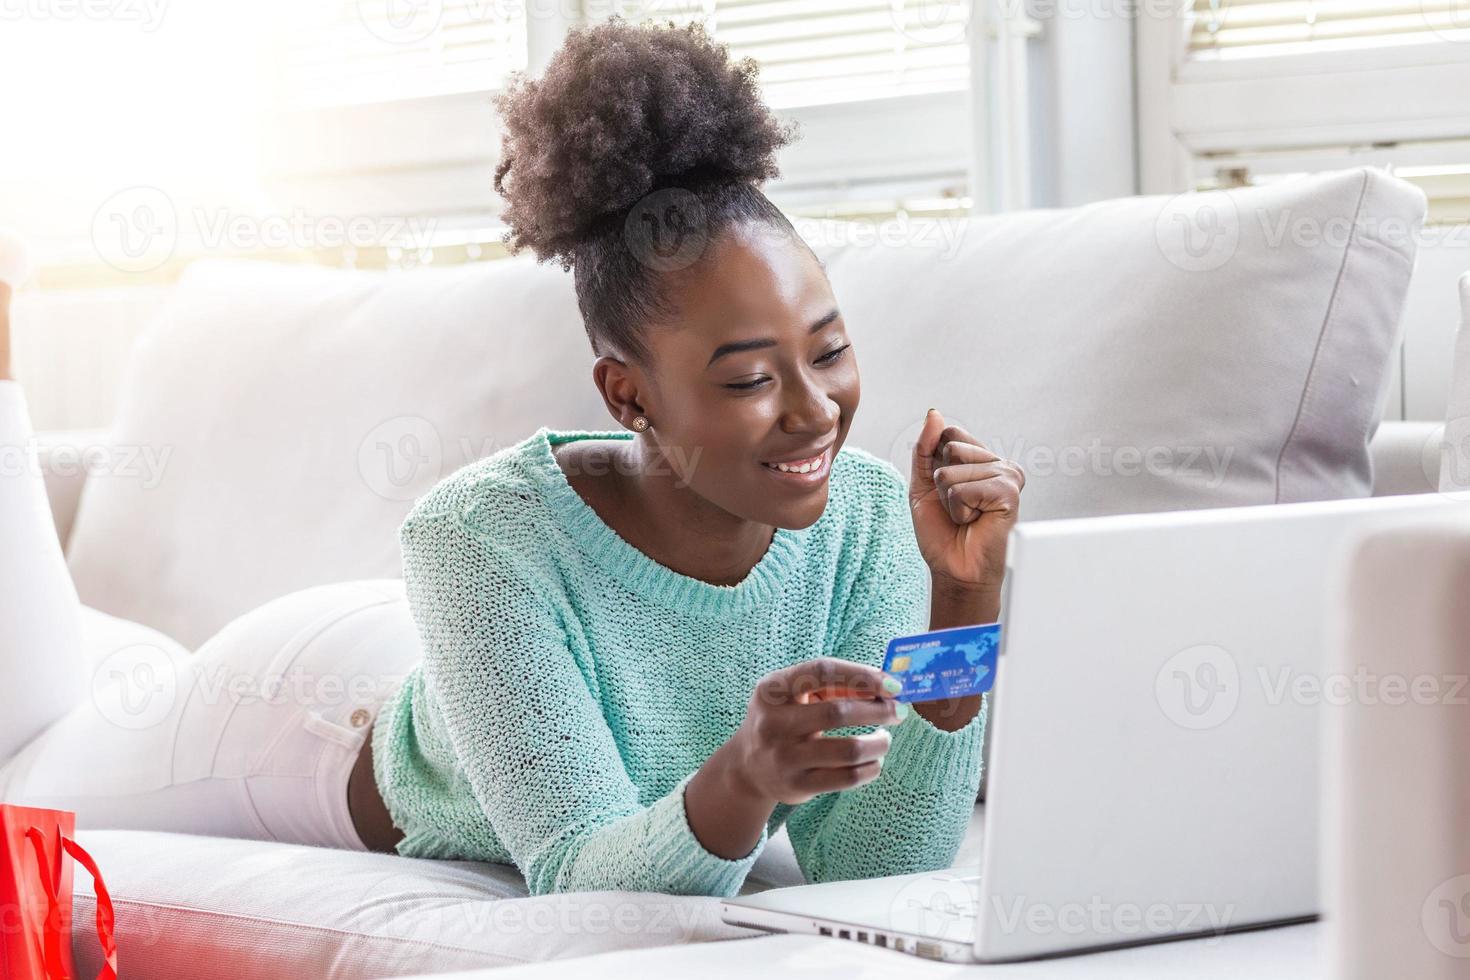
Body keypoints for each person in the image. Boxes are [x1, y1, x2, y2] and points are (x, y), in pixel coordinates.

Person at [0, 18, 1024, 897]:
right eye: (749, 379)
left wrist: (963, 601)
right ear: (628, 394)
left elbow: (878, 865)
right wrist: (745, 779)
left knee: (89, 669)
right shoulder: (479, 533)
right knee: (25, 764)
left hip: (436, 660)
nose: (815, 411)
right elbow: (578, 873)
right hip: (289, 719)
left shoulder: (874, 517)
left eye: (830, 350)